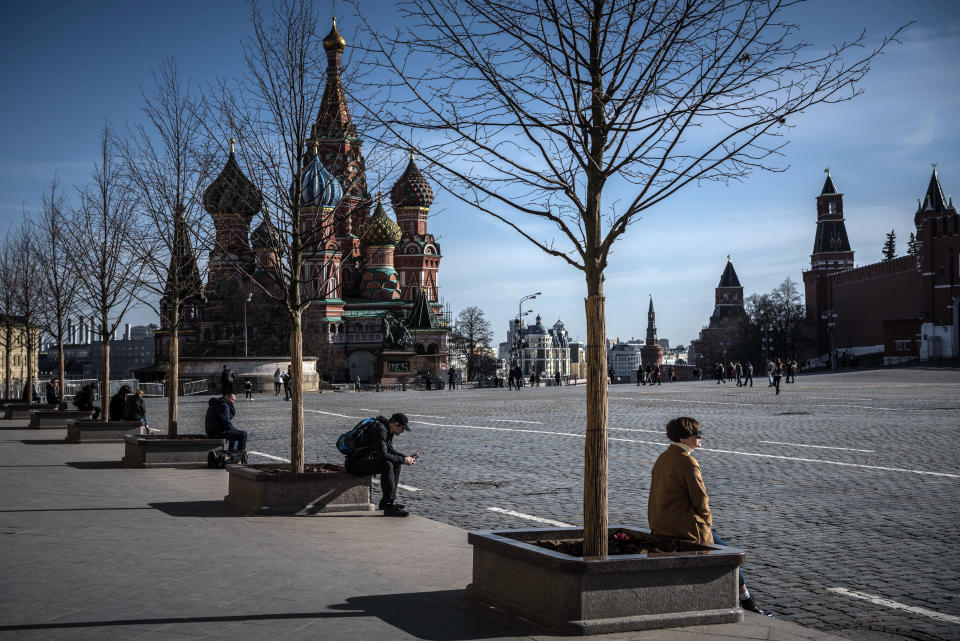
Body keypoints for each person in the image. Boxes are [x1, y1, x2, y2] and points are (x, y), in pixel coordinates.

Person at [648, 417, 769, 615]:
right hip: (684, 526)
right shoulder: (687, 461)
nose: (700, 436)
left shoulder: (664, 457)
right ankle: (748, 603)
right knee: (730, 556)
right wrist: (706, 524)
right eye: (696, 434)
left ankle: (746, 601)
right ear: (683, 438)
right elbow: (700, 499)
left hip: (663, 523)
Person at [344, 413, 417, 517]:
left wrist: (406, 457)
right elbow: (383, 455)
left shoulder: (387, 430)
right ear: (395, 424)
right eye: (402, 428)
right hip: (354, 464)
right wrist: (403, 460)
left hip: (365, 461)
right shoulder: (379, 429)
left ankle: (385, 502)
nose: (403, 431)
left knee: (396, 463)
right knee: (387, 465)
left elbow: (389, 450)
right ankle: (388, 506)